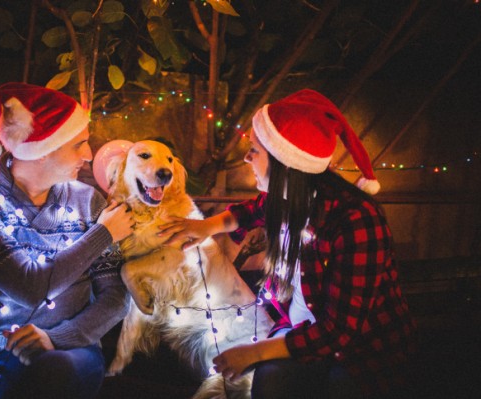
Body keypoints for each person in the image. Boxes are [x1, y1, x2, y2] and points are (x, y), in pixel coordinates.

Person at [159, 89, 417, 398]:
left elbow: (340, 332)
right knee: (270, 381)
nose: (246, 158)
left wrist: (254, 353)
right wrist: (204, 227)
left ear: (285, 162)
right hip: (299, 331)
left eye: (254, 150)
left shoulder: (356, 221)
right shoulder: (287, 199)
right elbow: (250, 210)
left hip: (363, 353)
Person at [0, 82, 135, 399]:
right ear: (42, 149)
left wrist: (58, 336)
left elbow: (116, 297)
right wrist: (103, 233)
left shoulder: (89, 201)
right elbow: (28, 287)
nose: (88, 156)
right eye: (79, 145)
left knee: (57, 374)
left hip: (71, 352)